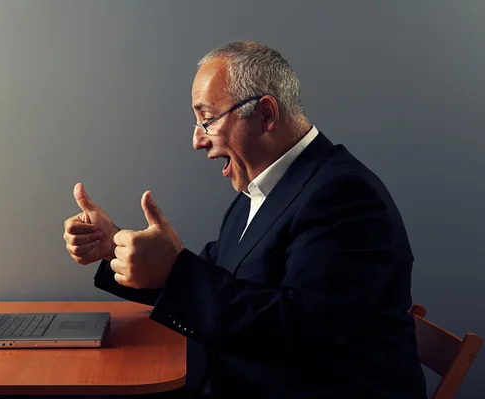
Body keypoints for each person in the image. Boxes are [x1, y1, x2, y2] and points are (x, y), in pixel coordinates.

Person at [63, 41, 427, 399]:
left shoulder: (345, 195)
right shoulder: (261, 189)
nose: (196, 140)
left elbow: (299, 330)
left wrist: (173, 270)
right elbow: (216, 275)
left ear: (266, 114)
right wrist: (113, 246)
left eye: (206, 120)